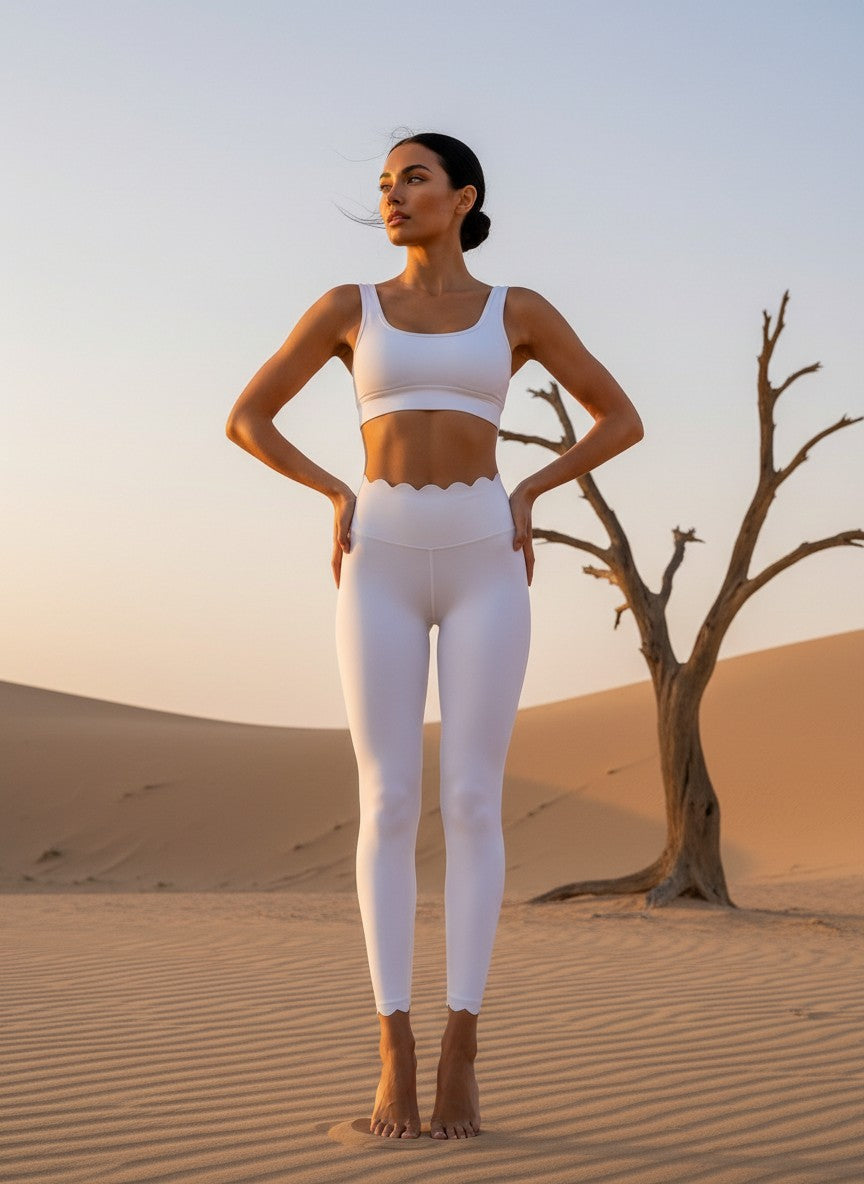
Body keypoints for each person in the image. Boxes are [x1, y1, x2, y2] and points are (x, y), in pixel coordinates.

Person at [225, 131, 643, 1141]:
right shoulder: (348, 307)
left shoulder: (518, 311)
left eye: (413, 178)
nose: (392, 195)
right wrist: (335, 491)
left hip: (484, 555)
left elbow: (619, 417)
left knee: (471, 798)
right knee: (385, 798)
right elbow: (249, 418)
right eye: (384, 183)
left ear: (463, 197)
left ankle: (463, 1044)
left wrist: (532, 489)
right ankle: (394, 1046)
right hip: (378, 553)